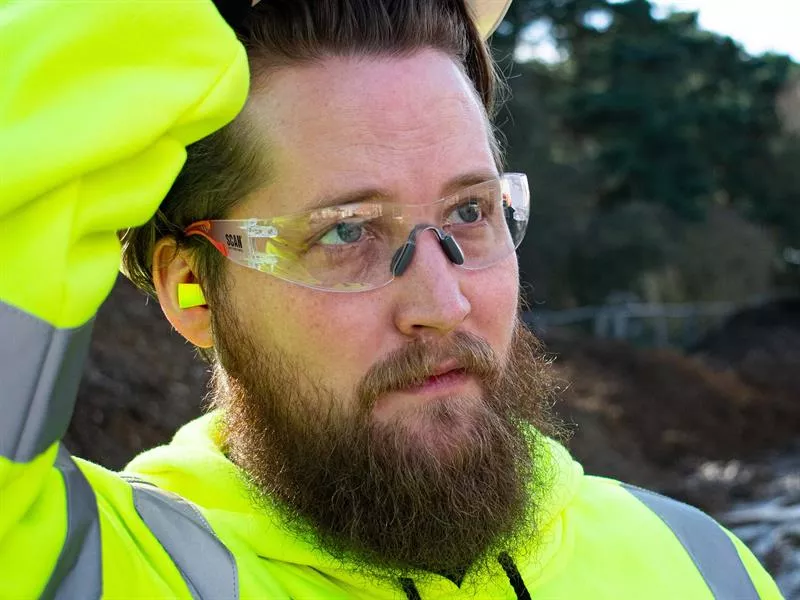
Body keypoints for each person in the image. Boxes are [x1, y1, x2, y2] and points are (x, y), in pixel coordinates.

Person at [0, 1, 783, 598]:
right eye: (346, 232)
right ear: (192, 289)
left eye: (469, 212)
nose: (443, 304)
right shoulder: (97, 570)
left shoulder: (702, 564)